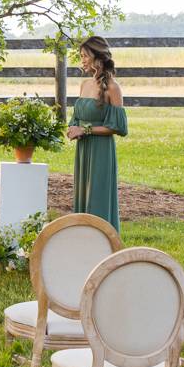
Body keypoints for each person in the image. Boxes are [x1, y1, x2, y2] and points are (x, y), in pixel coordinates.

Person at [66, 35, 127, 233]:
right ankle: (84, 240)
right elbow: (77, 117)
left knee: (98, 195)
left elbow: (117, 127)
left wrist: (85, 130)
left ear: (97, 57)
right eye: (80, 56)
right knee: (84, 194)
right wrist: (73, 128)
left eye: (85, 55)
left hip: (101, 151)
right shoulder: (84, 84)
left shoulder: (112, 88)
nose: (81, 60)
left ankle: (104, 240)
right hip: (83, 150)